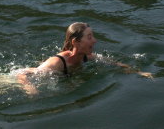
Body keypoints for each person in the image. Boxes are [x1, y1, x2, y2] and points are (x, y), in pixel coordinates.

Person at [17, 22, 153, 95]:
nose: (94, 40)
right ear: (76, 42)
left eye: (92, 36)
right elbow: (21, 73)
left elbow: (115, 64)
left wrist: (139, 72)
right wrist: (30, 88)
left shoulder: (87, 57)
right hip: (7, 82)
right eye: (89, 37)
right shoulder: (57, 63)